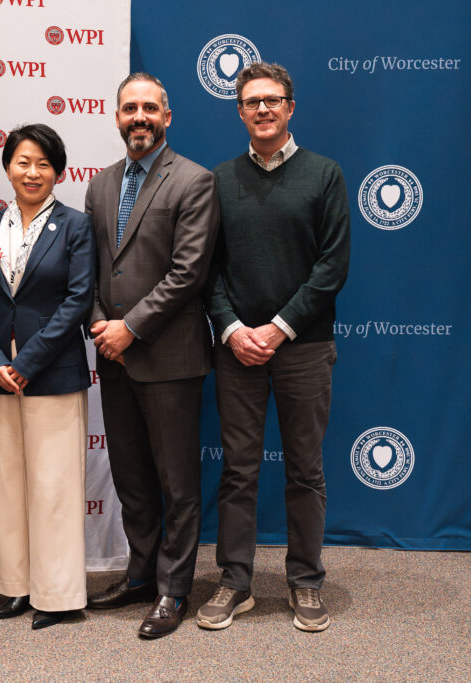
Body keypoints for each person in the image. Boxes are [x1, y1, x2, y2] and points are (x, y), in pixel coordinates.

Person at [198, 62, 350, 633]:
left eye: (273, 99)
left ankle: (305, 581)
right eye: (251, 101)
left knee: (305, 470)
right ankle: (235, 581)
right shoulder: (219, 180)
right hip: (237, 349)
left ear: (290, 107)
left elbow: (332, 267)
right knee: (238, 470)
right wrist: (234, 329)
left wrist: (279, 327)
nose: (262, 109)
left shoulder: (325, 174)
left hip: (304, 347)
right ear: (239, 111)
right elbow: (207, 270)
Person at [84, 73, 219, 638]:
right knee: (131, 477)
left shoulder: (194, 180)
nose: (138, 117)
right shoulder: (100, 184)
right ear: (116, 116)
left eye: (148, 108)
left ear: (167, 116)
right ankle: (141, 574)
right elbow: (90, 266)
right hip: (112, 356)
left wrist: (130, 329)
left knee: (177, 483)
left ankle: (174, 588)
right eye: (129, 108)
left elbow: (188, 273)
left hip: (168, 358)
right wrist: (99, 324)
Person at [0, 123, 95, 630]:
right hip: (1, 371)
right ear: (7, 168)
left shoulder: (75, 225)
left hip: (52, 370)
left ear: (58, 171)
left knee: (54, 485)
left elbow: (77, 301)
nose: (33, 172)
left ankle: (58, 595)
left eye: (43, 163)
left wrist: (26, 362)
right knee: (8, 481)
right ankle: (16, 586)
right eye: (23, 162)